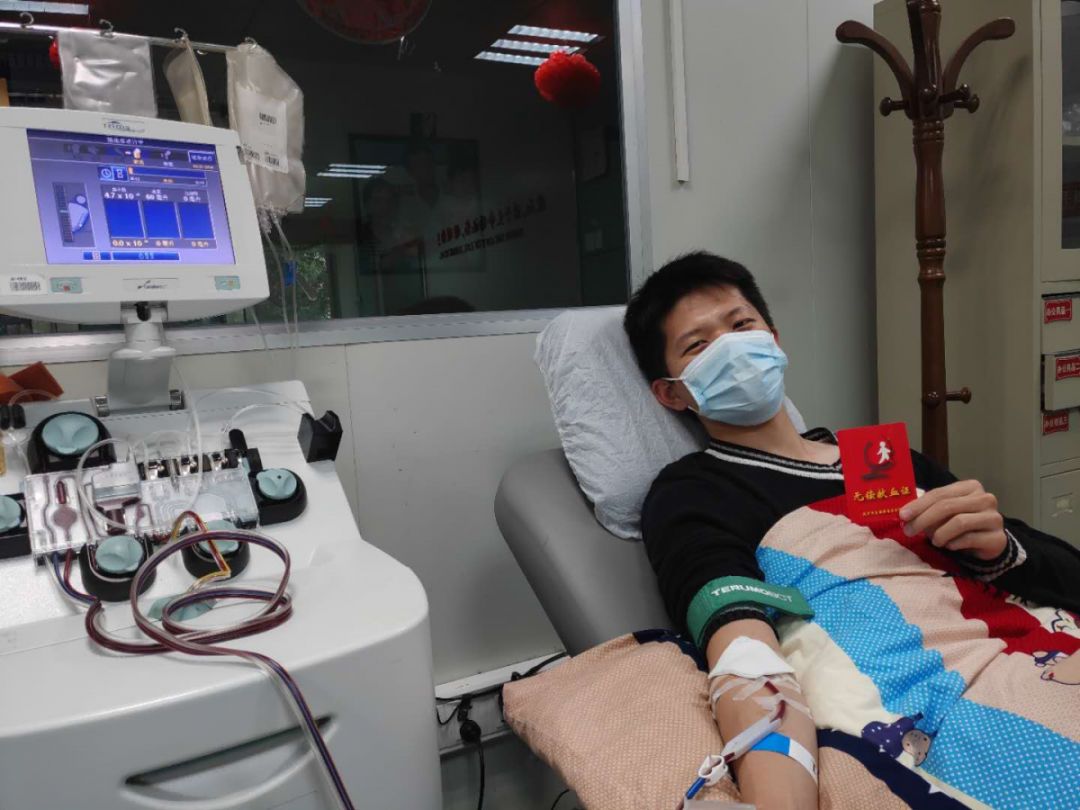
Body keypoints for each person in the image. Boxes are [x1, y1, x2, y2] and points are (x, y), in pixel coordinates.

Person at [623, 251, 1080, 810]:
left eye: (742, 325)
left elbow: (1066, 574)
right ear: (671, 393)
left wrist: (1000, 547)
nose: (730, 349)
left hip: (1033, 645)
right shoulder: (695, 490)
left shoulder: (881, 457)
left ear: (774, 340)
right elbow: (739, 643)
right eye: (698, 345)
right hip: (938, 698)